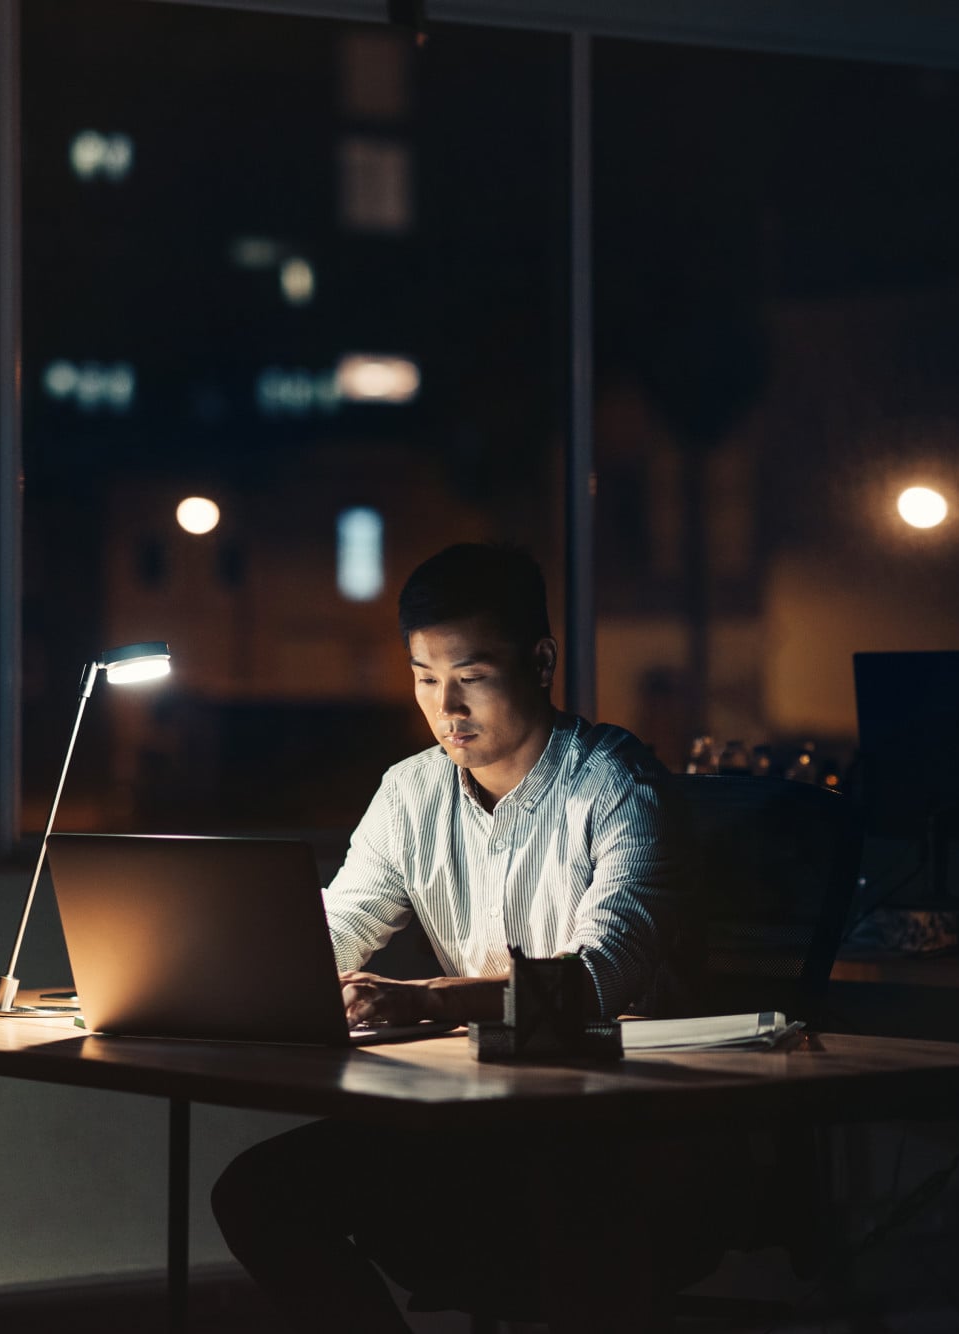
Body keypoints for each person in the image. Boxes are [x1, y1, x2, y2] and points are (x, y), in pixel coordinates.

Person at [212, 543, 697, 1333]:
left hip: (622, 1126)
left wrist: (422, 1000)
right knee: (258, 1191)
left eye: (470, 677)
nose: (447, 709)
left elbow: (593, 984)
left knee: (549, 1185)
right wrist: (222, 984)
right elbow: (341, 924)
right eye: (424, 678)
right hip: (483, 1116)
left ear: (540, 661)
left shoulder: (619, 787)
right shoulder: (411, 790)